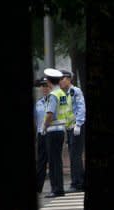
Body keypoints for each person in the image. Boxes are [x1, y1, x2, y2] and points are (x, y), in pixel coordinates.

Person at [42, 68, 68, 198]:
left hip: (52, 130)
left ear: (48, 81)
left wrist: (44, 126)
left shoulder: (53, 95)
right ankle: (60, 188)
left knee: (53, 161)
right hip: (61, 130)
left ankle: (56, 189)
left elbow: (50, 114)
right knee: (57, 160)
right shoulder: (62, 93)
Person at [59, 69, 86, 192]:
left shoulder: (75, 91)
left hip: (76, 128)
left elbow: (81, 107)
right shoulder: (64, 93)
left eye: (62, 79)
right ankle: (78, 181)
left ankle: (77, 183)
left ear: (69, 79)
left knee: (75, 156)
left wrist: (79, 124)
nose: (60, 81)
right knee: (73, 155)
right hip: (70, 128)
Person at [34, 77, 50, 193]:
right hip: (41, 135)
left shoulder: (54, 100)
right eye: (42, 86)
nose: (44, 88)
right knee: (41, 162)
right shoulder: (38, 103)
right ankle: (38, 187)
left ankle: (56, 186)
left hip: (52, 134)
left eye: (46, 86)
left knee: (54, 161)